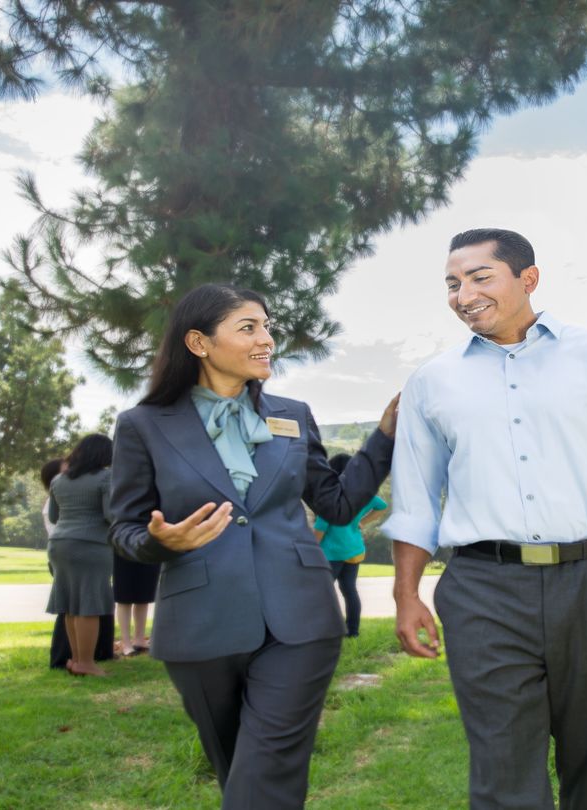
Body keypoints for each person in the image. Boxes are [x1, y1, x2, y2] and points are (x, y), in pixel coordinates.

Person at [385, 228, 587, 810]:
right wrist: (406, 595)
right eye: (453, 284)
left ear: (528, 278)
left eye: (480, 277)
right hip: (482, 589)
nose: (463, 295)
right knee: (501, 771)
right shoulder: (432, 381)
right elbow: (415, 500)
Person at [109, 283, 398, 809]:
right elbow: (124, 529)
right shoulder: (142, 425)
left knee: (265, 772)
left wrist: (383, 439)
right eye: (249, 328)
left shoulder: (292, 414)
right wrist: (159, 542)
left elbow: (335, 504)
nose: (267, 339)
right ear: (199, 342)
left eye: (267, 327)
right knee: (239, 772)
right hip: (199, 627)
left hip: (301, 620)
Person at [47, 434, 116, 677]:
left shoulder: (59, 480)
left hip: (59, 545)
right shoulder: (106, 477)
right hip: (91, 545)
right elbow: (110, 515)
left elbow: (54, 517)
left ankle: (76, 659)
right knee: (89, 605)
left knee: (70, 605)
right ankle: (87, 663)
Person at [313, 452, 387, 638]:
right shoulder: (362, 493)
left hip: (332, 553)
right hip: (353, 550)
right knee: (349, 590)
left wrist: (311, 549)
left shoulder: (331, 496)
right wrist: (362, 522)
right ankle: (352, 631)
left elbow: (321, 527)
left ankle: (323, 632)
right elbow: (382, 506)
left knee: (322, 593)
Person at [113, 542, 160, 657]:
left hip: (148, 546)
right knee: (124, 597)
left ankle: (139, 639)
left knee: (144, 595)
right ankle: (126, 643)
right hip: (124, 546)